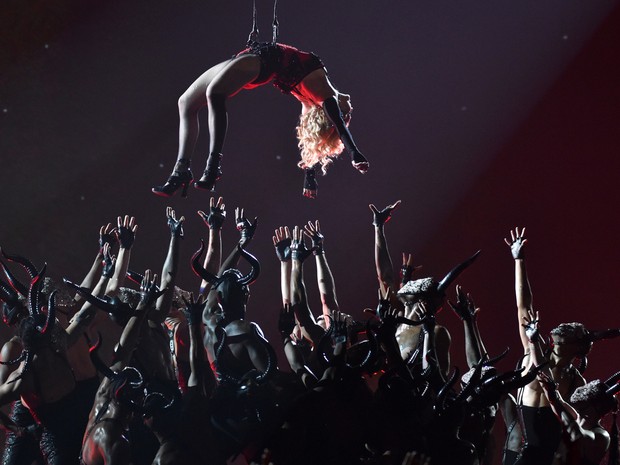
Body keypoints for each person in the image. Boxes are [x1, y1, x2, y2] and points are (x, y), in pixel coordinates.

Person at [152, 41, 368, 199]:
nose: (350, 111)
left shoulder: (324, 96)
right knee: (186, 102)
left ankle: (213, 165)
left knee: (215, 93)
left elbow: (339, 124)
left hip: (261, 64)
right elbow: (308, 147)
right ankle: (181, 171)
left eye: (346, 114)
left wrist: (354, 153)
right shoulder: (308, 104)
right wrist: (309, 176)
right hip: (248, 56)